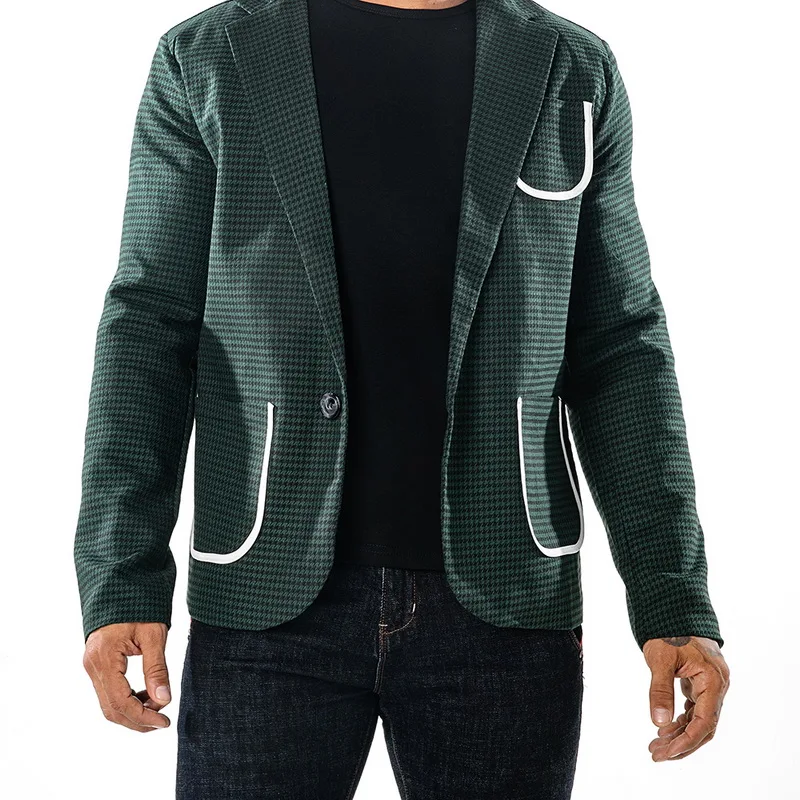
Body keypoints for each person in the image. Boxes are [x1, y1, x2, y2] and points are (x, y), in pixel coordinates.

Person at [75, 0, 730, 796]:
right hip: (264, 600)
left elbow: (620, 347)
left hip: (506, 604)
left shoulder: (572, 68)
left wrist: (671, 596)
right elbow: (150, 326)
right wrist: (123, 578)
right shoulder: (207, 57)